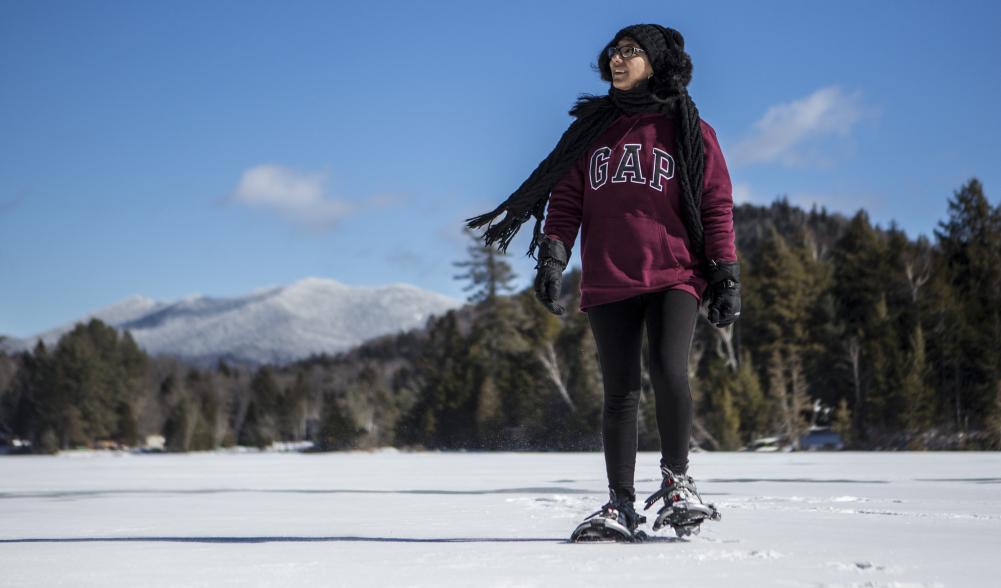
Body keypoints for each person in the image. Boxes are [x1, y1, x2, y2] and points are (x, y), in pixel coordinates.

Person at [465, 24, 739, 542]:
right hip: (609, 274)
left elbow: (715, 204)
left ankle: (678, 483)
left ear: (655, 62)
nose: (618, 59)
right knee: (620, 391)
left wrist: (725, 273)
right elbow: (566, 201)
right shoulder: (591, 131)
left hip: (675, 271)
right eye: (614, 52)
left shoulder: (689, 130)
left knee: (667, 369)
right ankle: (620, 504)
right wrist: (552, 257)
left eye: (631, 52)